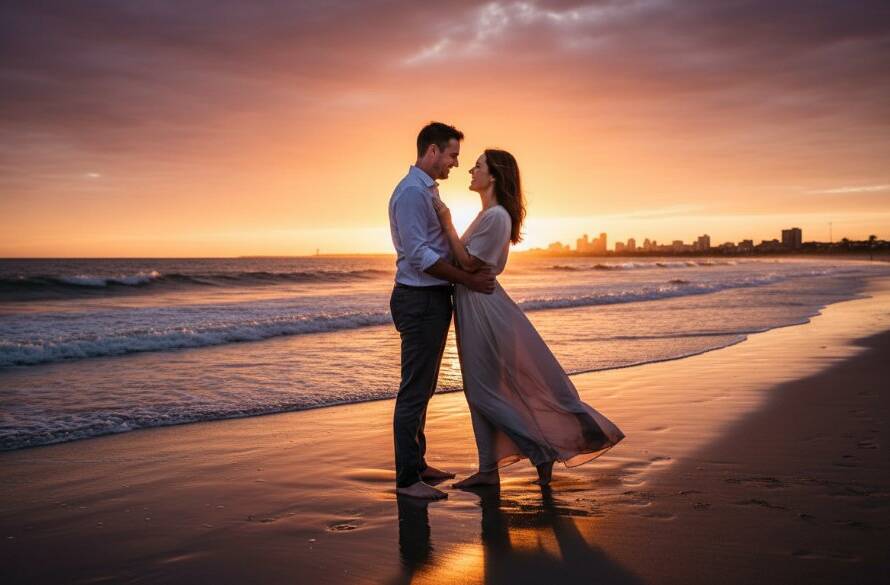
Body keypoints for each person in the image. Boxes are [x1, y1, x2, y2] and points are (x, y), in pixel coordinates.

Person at [431, 149, 625, 487]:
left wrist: (446, 224)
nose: (470, 171)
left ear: (493, 176)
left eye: (478, 166)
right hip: (474, 303)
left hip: (482, 307)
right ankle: (488, 471)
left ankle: (540, 449)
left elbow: (470, 264)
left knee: (480, 392)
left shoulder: (496, 217)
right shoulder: (488, 215)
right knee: (480, 390)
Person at [388, 122, 497, 500]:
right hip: (418, 300)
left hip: (431, 299)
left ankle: (418, 464)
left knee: (425, 387)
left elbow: (436, 247)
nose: (455, 163)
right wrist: (467, 279)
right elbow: (420, 256)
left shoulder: (427, 191)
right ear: (431, 151)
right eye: (452, 155)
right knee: (414, 389)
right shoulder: (411, 195)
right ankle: (406, 481)